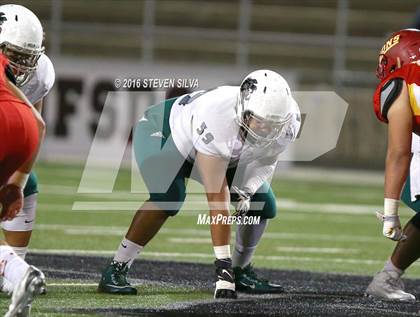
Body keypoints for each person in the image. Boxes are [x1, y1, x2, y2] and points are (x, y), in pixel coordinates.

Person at [97, 69, 301, 298]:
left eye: (274, 124)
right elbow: (217, 200)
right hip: (164, 133)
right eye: (260, 121)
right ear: (243, 111)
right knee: (169, 198)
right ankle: (116, 268)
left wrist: (247, 190)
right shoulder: (218, 117)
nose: (267, 129)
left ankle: (241, 270)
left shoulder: (289, 122)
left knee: (262, 203)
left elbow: (266, 161)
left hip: (215, 149)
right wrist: (221, 267)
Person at [0, 4, 55, 294]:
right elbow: (37, 125)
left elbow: (35, 126)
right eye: (14, 55)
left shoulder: (41, 73)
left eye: (27, 57)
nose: (21, 65)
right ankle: (13, 270)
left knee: (27, 181)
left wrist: (17, 184)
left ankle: (14, 266)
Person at [365, 28, 420, 302]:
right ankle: (387, 278)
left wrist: (390, 214)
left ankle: (387, 278)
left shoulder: (401, 80)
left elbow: (399, 153)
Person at [0, 49, 46, 316]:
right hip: (26, 128)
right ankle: (16, 280)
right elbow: (39, 124)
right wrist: (17, 185)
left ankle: (19, 273)